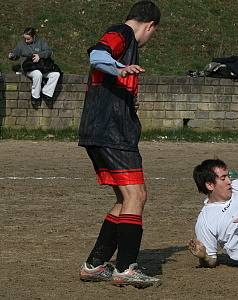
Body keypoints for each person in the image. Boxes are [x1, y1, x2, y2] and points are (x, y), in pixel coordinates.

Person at [78, 1, 161, 288]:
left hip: (99, 131)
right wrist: (120, 69)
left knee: (125, 199)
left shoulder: (126, 43)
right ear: (150, 25)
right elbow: (98, 55)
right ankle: (126, 268)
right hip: (113, 134)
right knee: (137, 196)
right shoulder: (122, 33)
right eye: (153, 33)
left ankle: (94, 264)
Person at [8, 27, 60, 109]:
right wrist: (12, 55)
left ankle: (47, 93)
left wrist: (40, 55)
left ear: (34, 36)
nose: (26, 41)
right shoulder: (21, 44)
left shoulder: (41, 42)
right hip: (29, 68)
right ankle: (35, 97)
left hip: (41, 67)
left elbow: (49, 51)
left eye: (28, 39)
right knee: (37, 74)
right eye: (25, 38)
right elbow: (16, 52)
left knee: (56, 74)